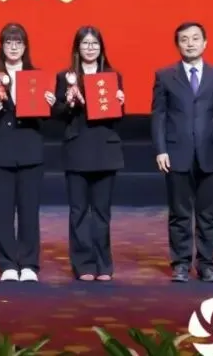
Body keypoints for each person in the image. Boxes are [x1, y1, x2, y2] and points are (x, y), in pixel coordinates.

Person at [151, 21, 213, 283]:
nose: (190, 44)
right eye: (184, 39)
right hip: (176, 153)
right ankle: (180, 263)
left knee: (208, 214)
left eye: (195, 38)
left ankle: (207, 264)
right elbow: (158, 116)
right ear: (177, 44)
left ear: (205, 42)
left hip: (211, 153)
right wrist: (161, 150)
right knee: (179, 213)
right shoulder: (165, 76)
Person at [0, 22, 52, 282]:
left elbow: (44, 119)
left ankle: (29, 263)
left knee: (29, 211)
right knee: (3, 212)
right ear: (2, 46)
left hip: (30, 150)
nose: (13, 47)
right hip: (1, 151)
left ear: (25, 46)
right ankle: (7, 263)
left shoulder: (36, 76)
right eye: (8, 42)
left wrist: (49, 104)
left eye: (18, 42)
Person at [51, 26, 125, 282]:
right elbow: (58, 114)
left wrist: (120, 101)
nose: (90, 48)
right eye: (85, 43)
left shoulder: (112, 76)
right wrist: (69, 103)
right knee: (79, 211)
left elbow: (118, 117)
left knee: (102, 212)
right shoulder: (66, 77)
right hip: (78, 148)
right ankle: (83, 263)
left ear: (101, 48)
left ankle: (104, 264)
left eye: (94, 43)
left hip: (105, 149)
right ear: (77, 48)